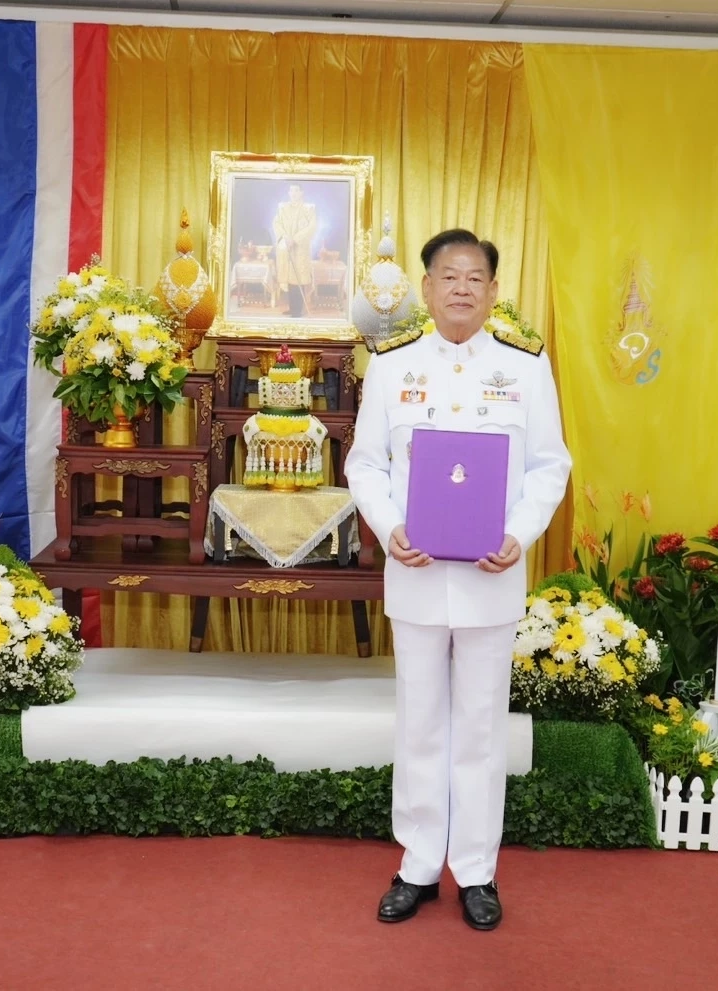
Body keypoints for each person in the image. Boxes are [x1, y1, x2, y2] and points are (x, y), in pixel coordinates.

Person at [344, 229, 571, 931]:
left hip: (488, 577)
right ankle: (417, 865)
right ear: (427, 288)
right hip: (415, 575)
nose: (462, 288)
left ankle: (476, 870)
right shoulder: (392, 365)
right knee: (418, 724)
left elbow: (550, 465)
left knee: (479, 728)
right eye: (449, 276)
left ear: (494, 291)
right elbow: (364, 463)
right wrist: (389, 525)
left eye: (475, 277)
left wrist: (519, 533)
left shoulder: (524, 366)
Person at [273, 184, 317, 317]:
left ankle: (298, 310)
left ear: (301, 192)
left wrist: (295, 239)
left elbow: (312, 227)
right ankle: (292, 308)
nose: (294, 193)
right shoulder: (283, 208)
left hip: (300, 249)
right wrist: (285, 237)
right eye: (291, 190)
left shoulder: (308, 209)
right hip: (287, 247)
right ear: (288, 192)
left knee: (299, 278)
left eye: (296, 190)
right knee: (289, 279)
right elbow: (277, 223)